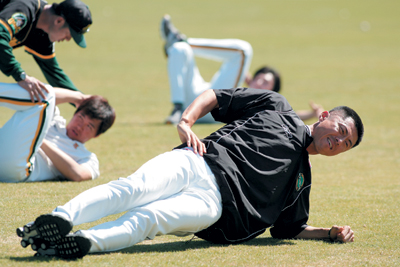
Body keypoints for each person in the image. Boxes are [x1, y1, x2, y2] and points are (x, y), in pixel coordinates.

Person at [16, 87, 363, 259]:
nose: (338, 140)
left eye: (345, 143)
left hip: (215, 207)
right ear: (325, 116)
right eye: (340, 129)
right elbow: (216, 96)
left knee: (149, 220)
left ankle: (81, 244)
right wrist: (186, 121)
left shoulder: (302, 180)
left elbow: (290, 229)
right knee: (132, 189)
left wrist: (329, 233)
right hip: (196, 159)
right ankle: (58, 219)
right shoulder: (278, 106)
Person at [160, 14, 323, 124]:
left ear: (272, 92)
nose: (260, 82)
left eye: (266, 83)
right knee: (179, 50)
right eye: (259, 77)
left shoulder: (266, 103)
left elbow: (289, 115)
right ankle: (177, 106)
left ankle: (182, 40)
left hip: (214, 110)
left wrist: (312, 114)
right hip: (194, 99)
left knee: (244, 49)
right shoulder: (239, 81)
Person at [0, 82, 115, 183]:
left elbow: (78, 174)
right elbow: (44, 94)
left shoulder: (86, 157)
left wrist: (37, 138)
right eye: (80, 117)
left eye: (89, 126)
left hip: (17, 169)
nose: (80, 126)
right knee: (42, 95)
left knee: (44, 98)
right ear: (75, 113)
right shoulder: (54, 120)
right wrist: (79, 97)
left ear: (97, 134)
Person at [0, 0, 92, 102]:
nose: (67, 39)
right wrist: (20, 75)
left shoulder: (42, 35)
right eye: (69, 34)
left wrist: (84, 101)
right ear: (59, 21)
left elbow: (54, 74)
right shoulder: (25, 8)